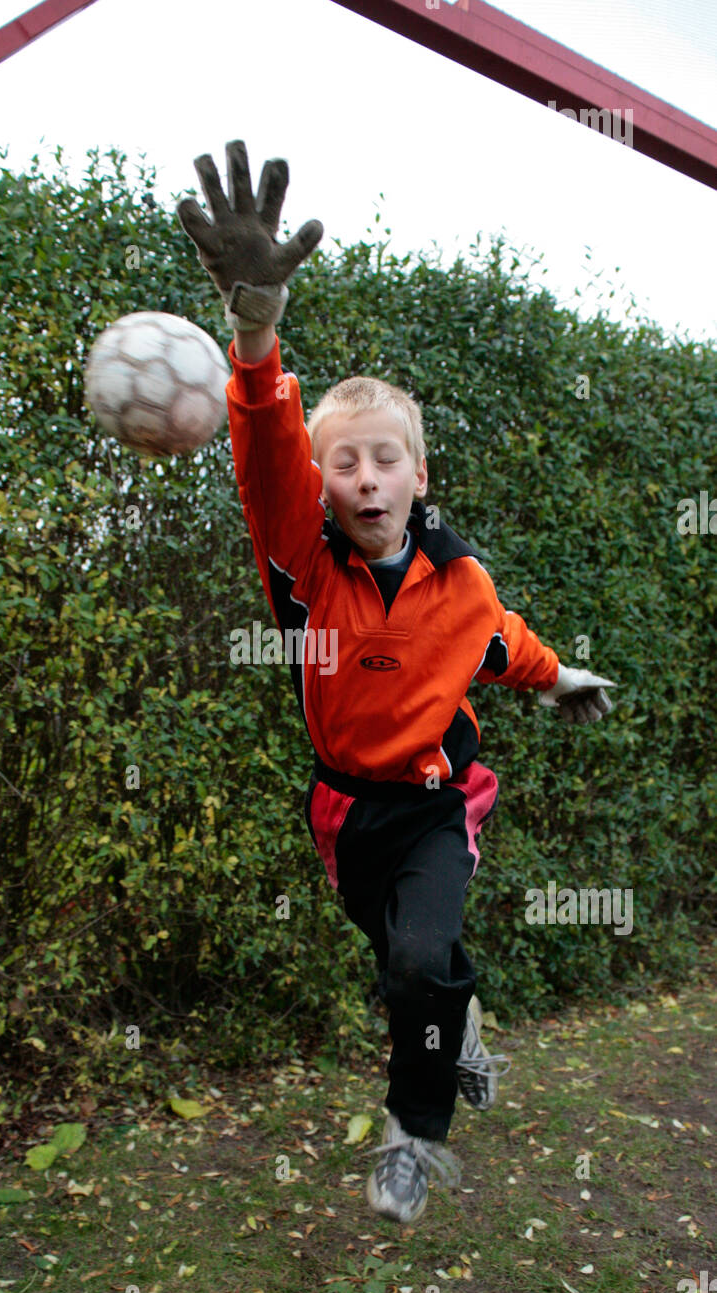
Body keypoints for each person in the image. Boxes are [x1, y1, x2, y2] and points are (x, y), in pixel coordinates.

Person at [177, 140, 615, 1224]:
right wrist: (254, 331)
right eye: (343, 461)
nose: (364, 475)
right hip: (344, 813)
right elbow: (262, 440)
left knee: (419, 958)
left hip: (431, 801)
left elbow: (498, 641)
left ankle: (412, 1135)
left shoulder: (460, 578)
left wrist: (559, 681)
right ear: (321, 484)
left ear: (418, 474)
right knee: (407, 974)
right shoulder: (298, 560)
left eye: (384, 457)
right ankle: (453, 1028)